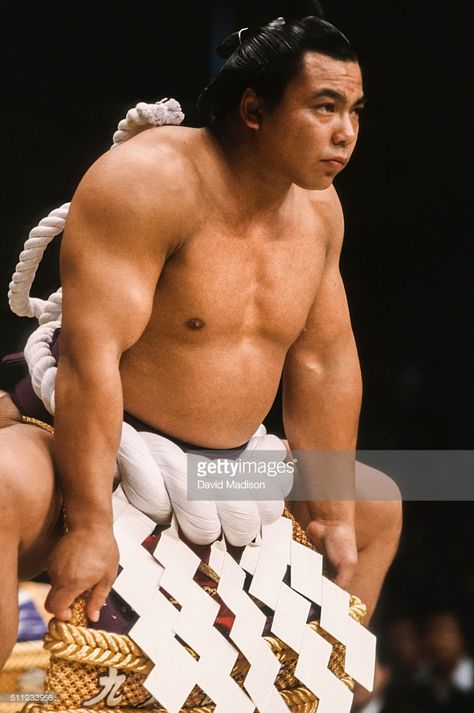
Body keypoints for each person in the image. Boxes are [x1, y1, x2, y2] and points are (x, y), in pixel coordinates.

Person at [0, 8, 402, 670]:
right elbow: (90, 359)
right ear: (253, 109)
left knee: (377, 505)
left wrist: (332, 501)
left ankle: (311, 693)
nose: (346, 133)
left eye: (356, 111)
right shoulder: (148, 179)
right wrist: (93, 521)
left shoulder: (320, 210)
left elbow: (325, 360)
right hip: (95, 442)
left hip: (225, 470)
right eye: (325, 107)